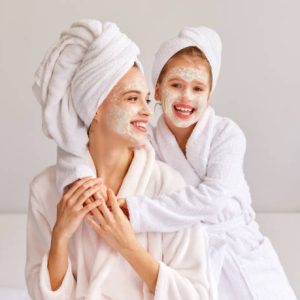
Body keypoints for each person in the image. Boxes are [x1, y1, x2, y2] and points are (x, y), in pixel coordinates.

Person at [25, 19, 210, 300]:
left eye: (147, 100)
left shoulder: (168, 186)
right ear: (95, 107)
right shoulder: (47, 190)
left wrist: (127, 245)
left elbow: (197, 295)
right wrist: (60, 237)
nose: (147, 112)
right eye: (132, 98)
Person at [121, 26, 297, 299]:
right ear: (157, 90)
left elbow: (212, 198)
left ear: (210, 95)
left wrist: (137, 211)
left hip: (239, 248)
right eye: (176, 85)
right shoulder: (149, 143)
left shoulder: (227, 134)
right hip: (188, 254)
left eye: (197, 88)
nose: (186, 97)